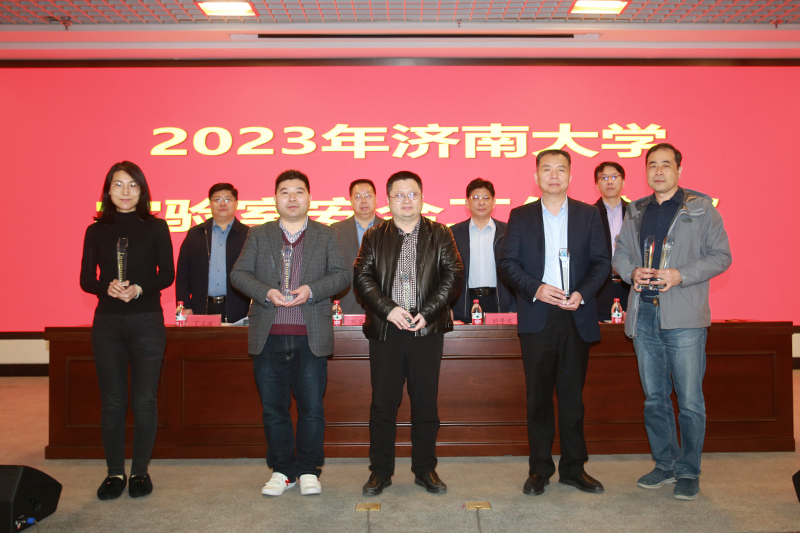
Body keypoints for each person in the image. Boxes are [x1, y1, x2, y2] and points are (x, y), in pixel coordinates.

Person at [612, 143, 731, 501]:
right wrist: (630, 271)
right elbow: (620, 254)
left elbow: (721, 256)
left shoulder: (701, 207)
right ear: (646, 171)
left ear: (679, 170)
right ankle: (664, 463)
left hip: (684, 317)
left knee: (690, 400)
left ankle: (688, 470)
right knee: (654, 398)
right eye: (652, 165)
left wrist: (682, 274)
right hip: (644, 313)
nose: (659, 171)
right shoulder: (635, 210)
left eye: (666, 165)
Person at [230, 169, 349, 497]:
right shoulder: (259, 234)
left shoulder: (326, 235)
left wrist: (312, 289)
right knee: (274, 409)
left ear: (309, 197)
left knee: (312, 409)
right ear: (275, 198)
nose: (292, 197)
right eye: (285, 192)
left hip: (311, 335)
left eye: (299, 191)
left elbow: (342, 275)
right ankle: (282, 470)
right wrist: (265, 292)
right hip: (268, 334)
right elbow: (239, 274)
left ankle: (309, 470)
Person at [498, 149, 610, 496]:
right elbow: (508, 262)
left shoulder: (589, 214)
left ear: (570, 176)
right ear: (536, 177)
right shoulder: (521, 216)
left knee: (572, 398)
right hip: (539, 315)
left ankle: (574, 469)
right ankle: (540, 469)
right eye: (547, 169)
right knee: (539, 399)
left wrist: (582, 293)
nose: (554, 176)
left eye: (561, 170)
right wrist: (536, 288)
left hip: (575, 314)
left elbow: (602, 261)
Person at [354, 171, 463, 496]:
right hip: (386, 330)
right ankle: (380, 471)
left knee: (425, 404)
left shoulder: (440, 233)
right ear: (388, 200)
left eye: (412, 194)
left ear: (422, 197)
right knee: (383, 405)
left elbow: (453, 276)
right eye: (399, 195)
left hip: (425, 330)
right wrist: (388, 309)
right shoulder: (374, 235)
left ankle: (425, 469)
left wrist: (426, 313)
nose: (406, 200)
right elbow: (362, 277)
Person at [79, 161, 174, 500]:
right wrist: (106, 287)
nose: (125, 191)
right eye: (118, 184)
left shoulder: (156, 227)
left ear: (142, 191)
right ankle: (114, 473)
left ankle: (140, 473)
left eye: (133, 185)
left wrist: (138, 289)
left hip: (147, 320)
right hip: (108, 324)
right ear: (108, 190)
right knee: (113, 401)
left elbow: (167, 275)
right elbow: (86, 279)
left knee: (144, 400)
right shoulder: (96, 230)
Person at [175, 183, 250, 323]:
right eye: (217, 199)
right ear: (209, 204)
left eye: (227, 199)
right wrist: (184, 305)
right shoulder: (196, 234)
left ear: (236, 203)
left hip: (239, 307)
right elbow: (183, 274)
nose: (222, 203)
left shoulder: (248, 235)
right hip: (201, 306)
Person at [450, 178, 515, 322]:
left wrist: (513, 306)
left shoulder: (507, 232)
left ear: (494, 202)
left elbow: (516, 271)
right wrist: (449, 307)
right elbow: (447, 274)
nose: (481, 202)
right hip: (463, 303)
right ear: (467, 203)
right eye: (475, 198)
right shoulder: (453, 233)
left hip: (498, 303)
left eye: (486, 198)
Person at [331, 179, 382, 314]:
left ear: (376, 199)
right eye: (358, 196)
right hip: (345, 304)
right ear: (351, 201)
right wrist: (331, 303)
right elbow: (329, 271)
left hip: (382, 305)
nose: (363, 201)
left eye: (368, 195)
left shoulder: (390, 229)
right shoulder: (335, 230)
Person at [592, 162, 631, 321]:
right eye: (604, 178)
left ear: (623, 181)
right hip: (600, 288)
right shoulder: (589, 215)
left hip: (630, 284)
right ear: (597, 184)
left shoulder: (635, 212)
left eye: (614, 177)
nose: (609, 181)